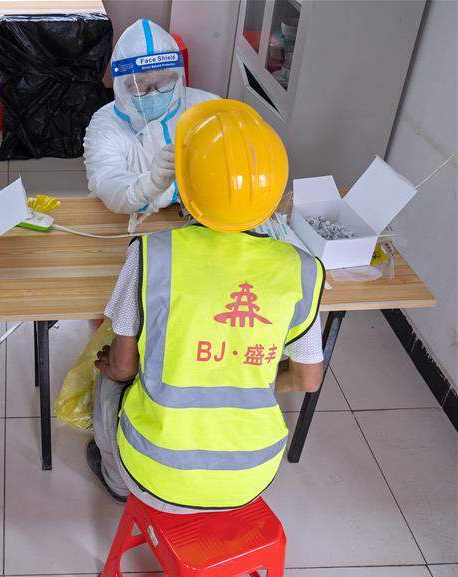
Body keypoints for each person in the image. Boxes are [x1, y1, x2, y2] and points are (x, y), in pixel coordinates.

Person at [87, 100, 325, 512]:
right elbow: (307, 380)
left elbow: (125, 367)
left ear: (186, 185)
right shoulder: (301, 269)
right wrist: (241, 376)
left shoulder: (151, 255)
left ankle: (116, 479)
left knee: (109, 374)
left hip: (154, 470)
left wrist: (112, 367)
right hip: (252, 477)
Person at [84, 19, 218, 228]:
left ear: (178, 77)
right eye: (141, 86)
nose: (154, 93)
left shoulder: (208, 109)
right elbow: (108, 184)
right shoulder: (106, 125)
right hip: (128, 221)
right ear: (121, 85)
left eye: (164, 82)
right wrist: (150, 184)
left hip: (198, 220)